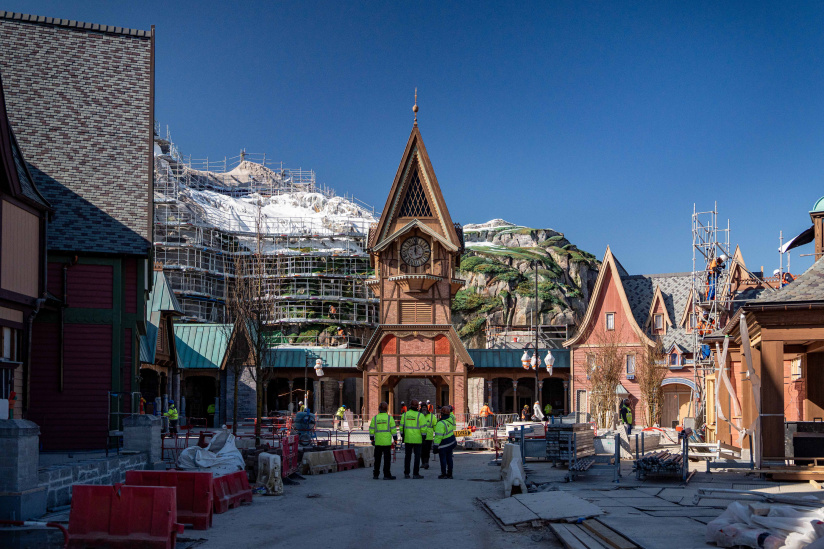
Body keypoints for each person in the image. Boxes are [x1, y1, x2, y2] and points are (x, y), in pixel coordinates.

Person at [369, 402, 398, 480]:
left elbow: (371, 429)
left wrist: (372, 439)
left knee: (377, 459)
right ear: (387, 409)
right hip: (386, 442)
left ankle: (375, 474)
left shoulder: (375, 418)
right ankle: (386, 475)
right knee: (387, 460)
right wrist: (395, 439)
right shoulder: (389, 418)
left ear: (379, 409)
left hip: (378, 442)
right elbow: (393, 430)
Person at [400, 399, 425, 479]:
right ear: (417, 407)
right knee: (417, 457)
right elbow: (423, 428)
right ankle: (415, 474)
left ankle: (406, 473)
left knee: (407, 457)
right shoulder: (420, 415)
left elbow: (401, 427)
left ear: (410, 405)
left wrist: (402, 435)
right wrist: (424, 437)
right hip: (417, 439)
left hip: (408, 439)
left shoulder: (405, 415)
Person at [432, 406, 456, 479]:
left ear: (441, 414)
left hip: (444, 444)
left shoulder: (440, 423)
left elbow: (438, 436)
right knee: (449, 458)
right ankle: (450, 474)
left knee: (443, 459)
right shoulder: (450, 420)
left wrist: (435, 446)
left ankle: (444, 474)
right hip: (451, 443)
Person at [420, 404, 436, 470]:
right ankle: (423, 463)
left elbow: (435, 426)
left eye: (425, 407)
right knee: (421, 451)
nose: (424, 409)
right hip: (420, 437)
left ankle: (426, 463)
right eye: (423, 407)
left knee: (427, 451)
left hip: (428, 437)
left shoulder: (432, 416)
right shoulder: (419, 416)